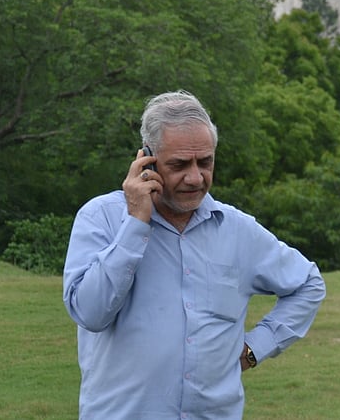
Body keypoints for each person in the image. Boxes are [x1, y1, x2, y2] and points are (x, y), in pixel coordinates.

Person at [63, 90, 325, 419]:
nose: (195, 177)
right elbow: (90, 312)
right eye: (179, 164)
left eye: (205, 162)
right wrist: (135, 225)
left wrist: (255, 349)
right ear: (147, 159)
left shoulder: (238, 230)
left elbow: (308, 284)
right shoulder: (100, 218)